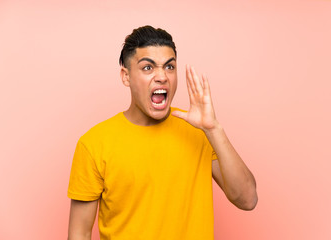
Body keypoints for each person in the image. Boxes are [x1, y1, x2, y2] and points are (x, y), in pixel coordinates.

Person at [67, 25, 257, 240]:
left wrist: (213, 129)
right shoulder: (93, 144)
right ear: (126, 76)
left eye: (169, 67)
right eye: (148, 68)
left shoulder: (199, 131)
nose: (162, 76)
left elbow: (247, 200)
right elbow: (79, 233)